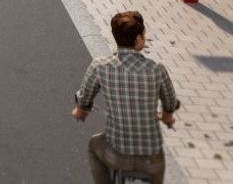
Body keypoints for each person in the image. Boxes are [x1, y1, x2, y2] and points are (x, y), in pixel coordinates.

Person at [72, 10, 178, 184]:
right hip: (151, 160)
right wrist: (167, 116)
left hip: (116, 154)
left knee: (94, 146)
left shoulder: (100, 66)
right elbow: (170, 103)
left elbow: (84, 99)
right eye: (144, 33)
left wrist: (81, 111)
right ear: (138, 39)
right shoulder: (157, 69)